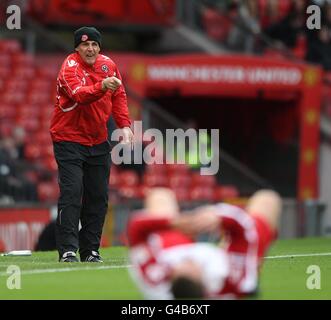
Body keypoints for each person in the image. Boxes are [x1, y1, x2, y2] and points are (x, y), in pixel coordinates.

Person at [50, 26, 133, 263]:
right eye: (85, 45)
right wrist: (102, 86)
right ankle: (67, 250)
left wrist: (124, 124)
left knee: (98, 196)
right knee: (72, 193)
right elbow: (79, 95)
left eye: (95, 45)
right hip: (68, 138)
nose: (90, 49)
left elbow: (119, 95)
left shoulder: (108, 65)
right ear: (77, 48)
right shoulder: (69, 67)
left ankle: (90, 251)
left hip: (97, 140)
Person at [127, 187, 282, 299]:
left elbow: (136, 226)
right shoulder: (231, 281)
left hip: (174, 247)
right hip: (229, 260)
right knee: (268, 199)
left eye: (177, 271)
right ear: (204, 283)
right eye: (191, 267)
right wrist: (217, 216)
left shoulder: (155, 282)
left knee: (160, 195)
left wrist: (175, 222)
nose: (187, 261)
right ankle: (253, 266)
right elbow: (245, 230)